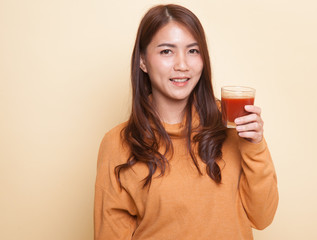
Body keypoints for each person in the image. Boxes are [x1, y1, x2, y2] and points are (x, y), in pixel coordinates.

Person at [94, 4, 278, 240]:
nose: (182, 65)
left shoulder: (233, 125)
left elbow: (262, 218)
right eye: (166, 52)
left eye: (193, 51)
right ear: (142, 61)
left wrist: (255, 146)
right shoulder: (118, 143)